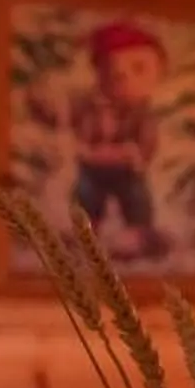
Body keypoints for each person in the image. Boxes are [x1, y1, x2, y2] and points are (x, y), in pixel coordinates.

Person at [70, 19, 170, 261]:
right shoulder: (87, 105)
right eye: (114, 74)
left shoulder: (142, 114)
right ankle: (87, 228)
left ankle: (136, 232)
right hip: (94, 164)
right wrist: (84, 145)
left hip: (126, 166)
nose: (123, 81)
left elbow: (148, 139)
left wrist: (137, 153)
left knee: (135, 194)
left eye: (139, 71)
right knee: (87, 193)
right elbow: (73, 127)